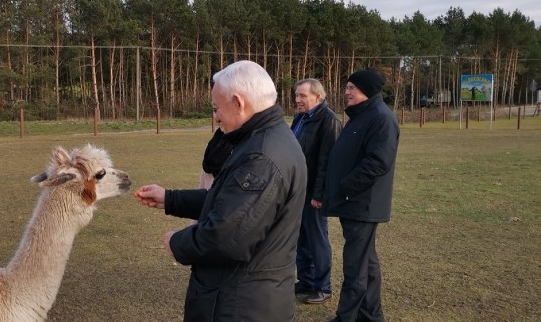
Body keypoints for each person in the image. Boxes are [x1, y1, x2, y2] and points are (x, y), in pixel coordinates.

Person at [134, 60, 306, 321]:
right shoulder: (265, 140)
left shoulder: (261, 157)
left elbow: (226, 238)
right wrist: (170, 199)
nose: (215, 117)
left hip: (239, 304)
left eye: (216, 108)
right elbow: (227, 202)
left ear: (238, 102)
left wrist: (177, 243)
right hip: (250, 298)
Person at [325, 68, 399, 322]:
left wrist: (346, 186)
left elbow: (378, 162)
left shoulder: (381, 119)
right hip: (353, 202)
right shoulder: (362, 116)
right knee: (366, 262)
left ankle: (347, 317)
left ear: (366, 90)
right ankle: (371, 314)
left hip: (362, 203)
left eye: (351, 88)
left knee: (355, 264)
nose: (346, 92)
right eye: (347, 87)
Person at [290, 78, 342, 305]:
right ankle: (307, 280)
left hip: (314, 193)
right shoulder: (299, 118)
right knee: (301, 238)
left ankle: (324, 286)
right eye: (296, 95)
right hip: (298, 190)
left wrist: (319, 194)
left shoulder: (329, 121)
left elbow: (327, 162)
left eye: (302, 95)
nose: (297, 99)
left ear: (318, 97)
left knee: (317, 238)